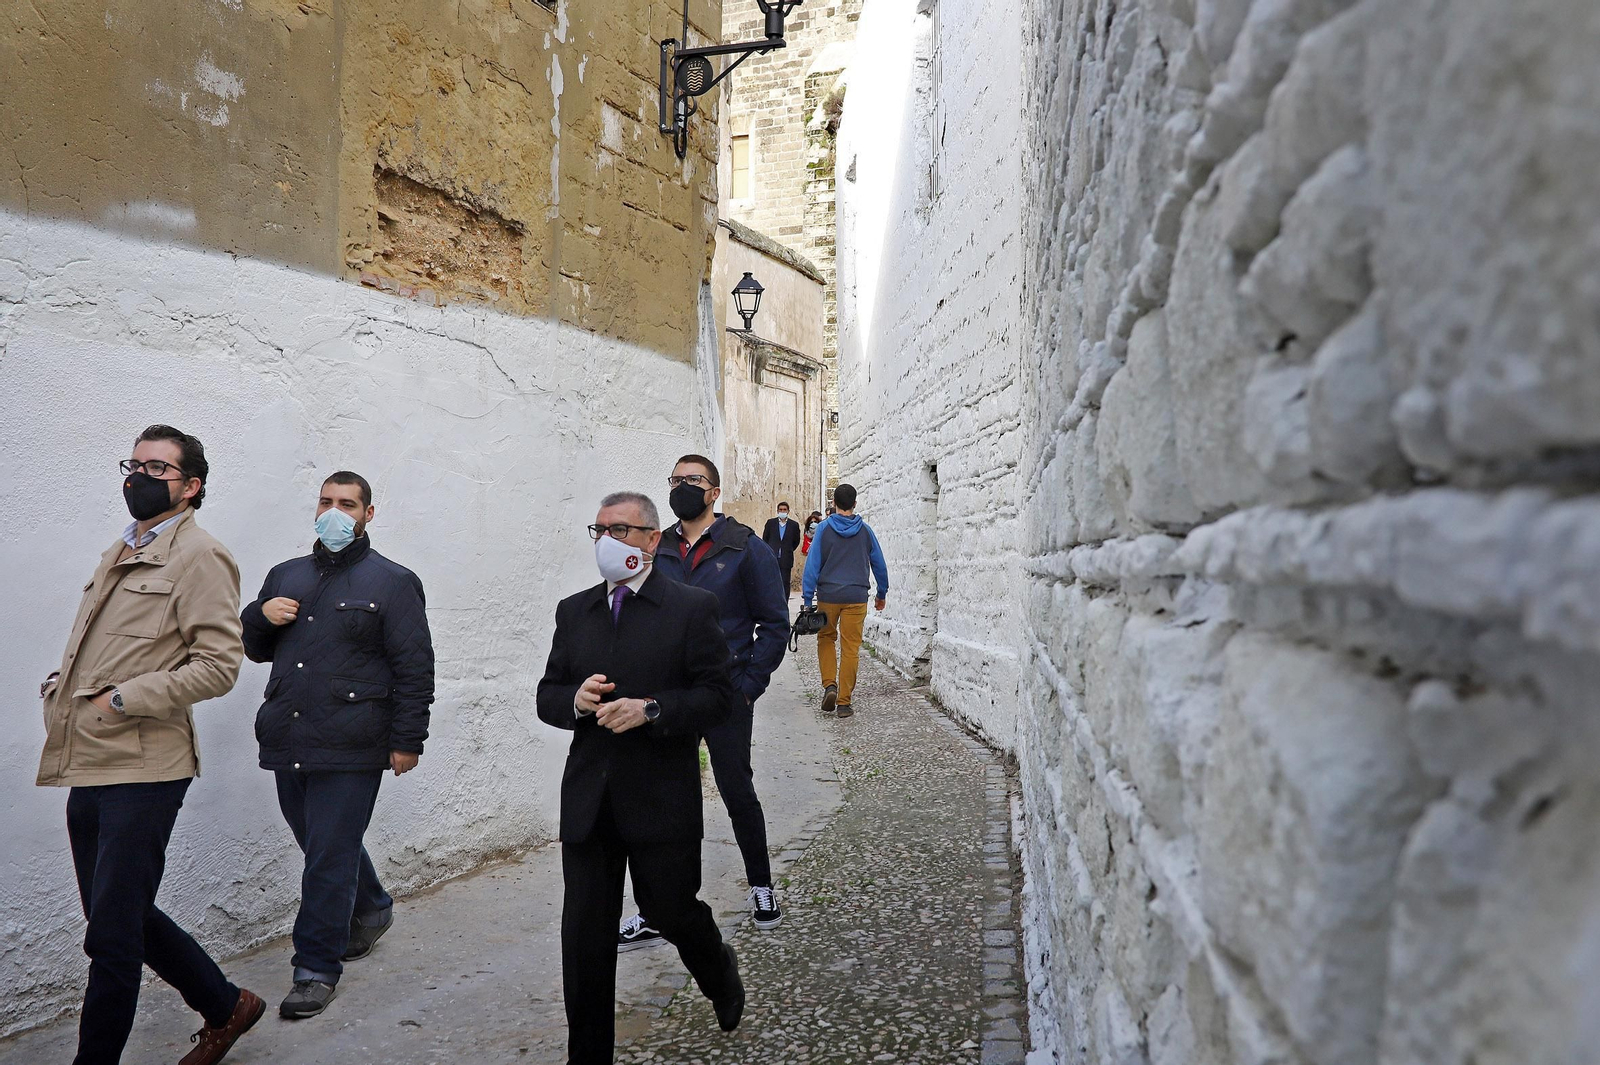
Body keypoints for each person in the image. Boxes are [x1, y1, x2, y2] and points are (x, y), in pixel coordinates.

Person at [37, 425, 263, 1065]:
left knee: (111, 934)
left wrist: (121, 698)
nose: (139, 476)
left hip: (147, 763)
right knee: (120, 916)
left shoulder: (201, 556)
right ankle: (226, 1005)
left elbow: (219, 664)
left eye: (158, 468)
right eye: (133, 464)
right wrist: (67, 685)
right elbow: (110, 645)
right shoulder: (122, 547)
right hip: (91, 756)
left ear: (190, 488)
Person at [537, 492, 746, 1064]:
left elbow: (717, 698)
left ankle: (717, 970)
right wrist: (574, 702)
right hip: (590, 799)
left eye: (622, 530)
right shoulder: (573, 610)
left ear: (654, 539)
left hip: (660, 796)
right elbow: (547, 695)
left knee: (671, 909)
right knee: (583, 940)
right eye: (599, 530)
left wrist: (652, 709)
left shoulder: (690, 608)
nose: (609, 541)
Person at [240, 471, 434, 1020]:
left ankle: (315, 969)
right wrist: (259, 615)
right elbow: (255, 648)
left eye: (347, 504)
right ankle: (371, 906)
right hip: (288, 733)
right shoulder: (286, 574)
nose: (335, 512)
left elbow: (414, 667)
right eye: (326, 501)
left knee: (327, 853)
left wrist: (407, 739)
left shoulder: (393, 582)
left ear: (369, 513)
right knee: (324, 843)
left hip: (354, 741)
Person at [618, 455, 788, 950]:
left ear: (714, 492)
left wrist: (749, 683)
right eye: (674, 480)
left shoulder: (743, 547)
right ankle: (658, 908)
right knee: (665, 800)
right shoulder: (659, 546)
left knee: (737, 791)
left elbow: (774, 624)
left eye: (691, 481)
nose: (680, 488)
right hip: (669, 698)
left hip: (726, 692)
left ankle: (761, 887)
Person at [800, 483, 889, 719]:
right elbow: (879, 564)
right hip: (856, 597)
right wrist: (882, 593)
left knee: (826, 638)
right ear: (855, 504)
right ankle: (844, 703)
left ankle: (830, 684)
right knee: (851, 648)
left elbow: (813, 564)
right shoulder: (865, 531)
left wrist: (808, 597)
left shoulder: (824, 529)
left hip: (829, 596)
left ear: (834, 504)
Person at [761, 501, 802, 594]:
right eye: (780, 510)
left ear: (788, 511)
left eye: (784, 510)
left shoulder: (793, 525)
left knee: (785, 583)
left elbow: (796, 541)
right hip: (772, 558)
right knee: (771, 582)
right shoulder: (771, 523)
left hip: (786, 559)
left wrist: (788, 549)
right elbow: (765, 538)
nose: (782, 511)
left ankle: (784, 604)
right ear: (777, 511)